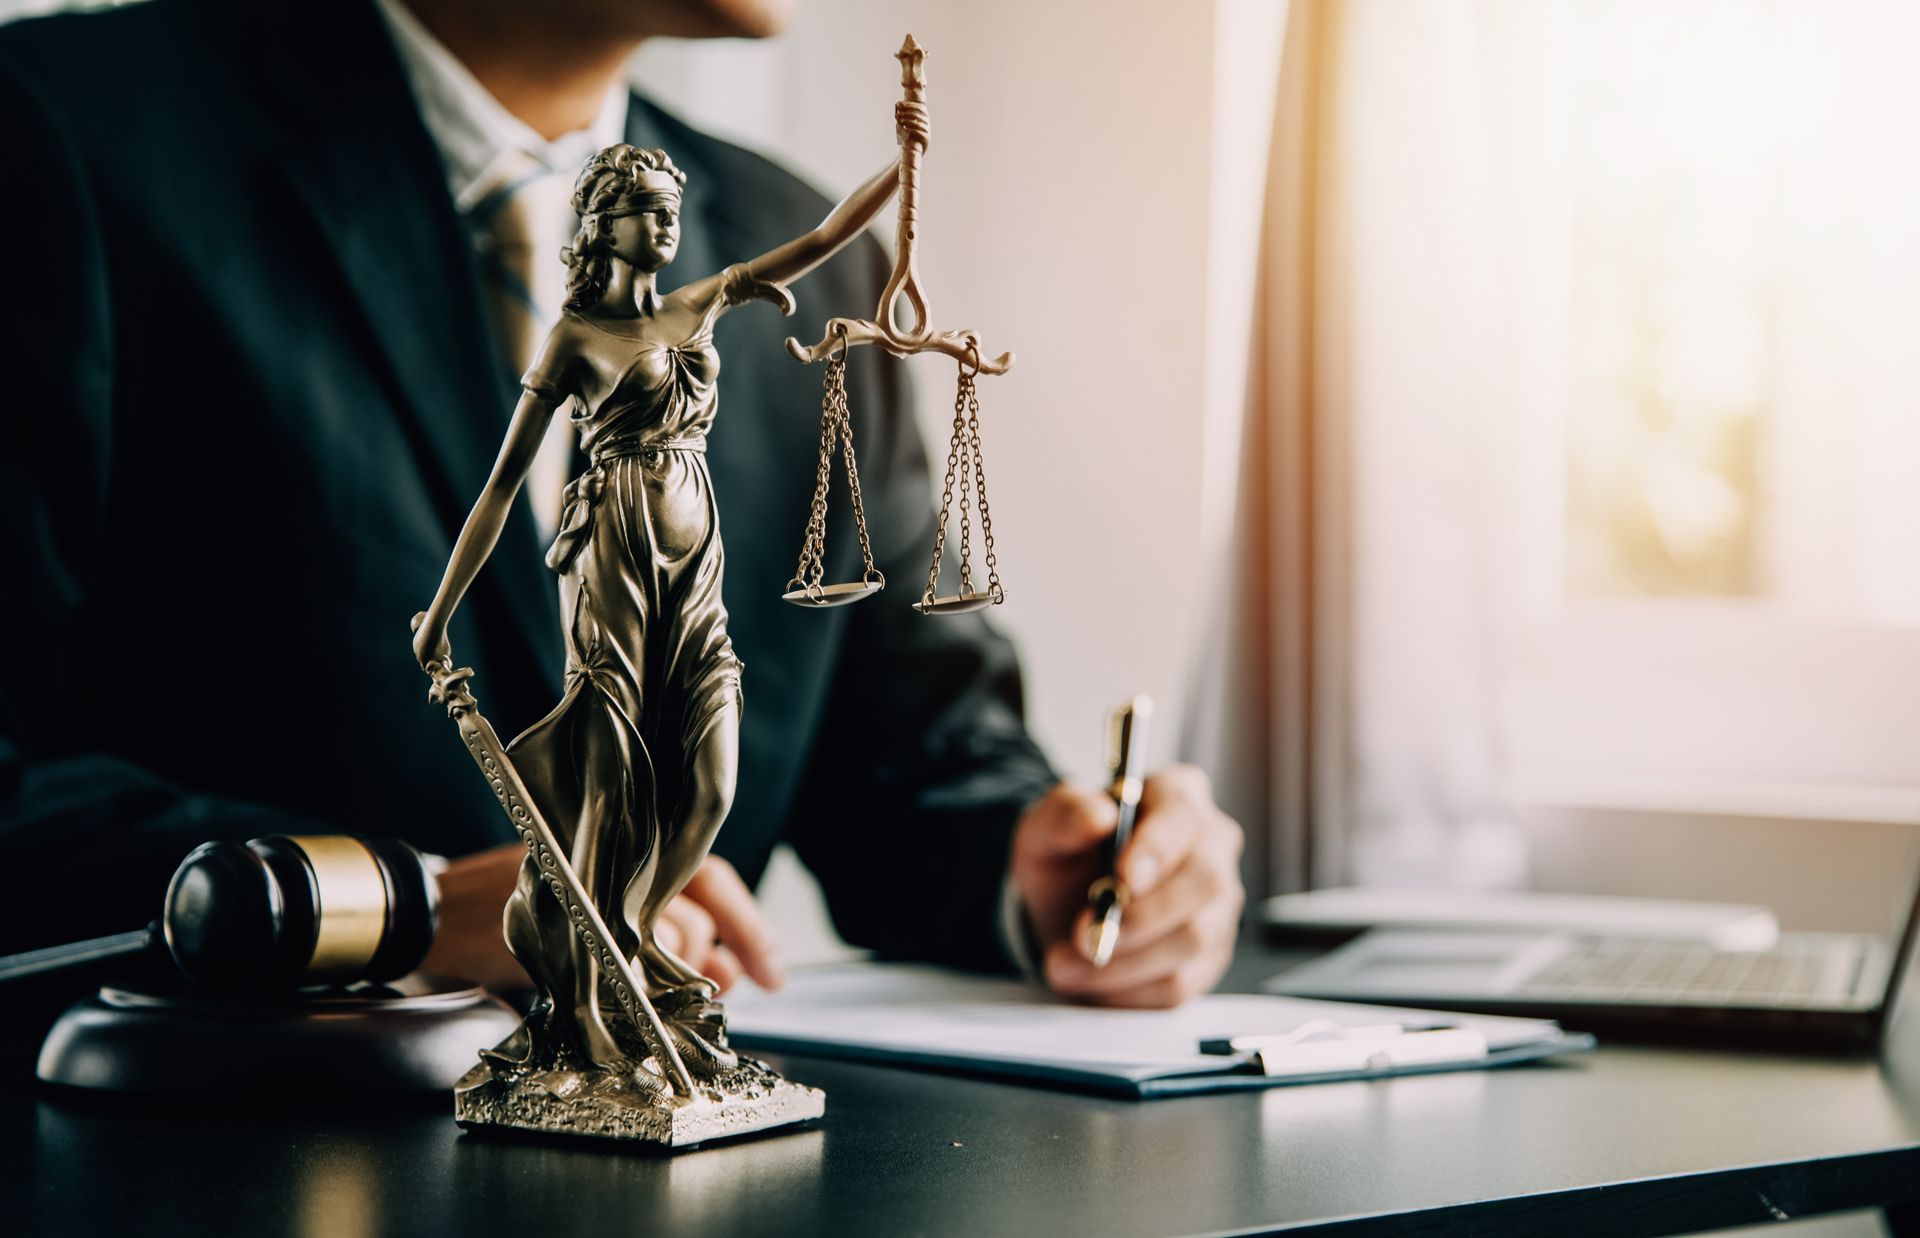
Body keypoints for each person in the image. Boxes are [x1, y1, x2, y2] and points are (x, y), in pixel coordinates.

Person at [0, 0, 1245, 1012]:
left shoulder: (790, 242)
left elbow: (911, 761)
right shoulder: (62, 137)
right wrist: (412, 902)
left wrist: (1049, 876)